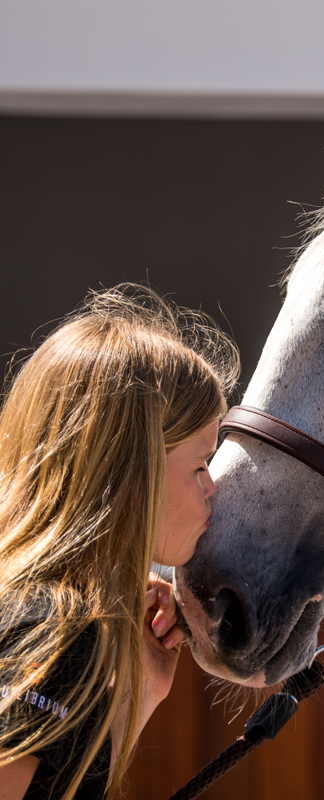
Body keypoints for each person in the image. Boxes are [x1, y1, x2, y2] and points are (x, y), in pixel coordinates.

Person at [0, 285, 239, 800]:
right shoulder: (58, 630)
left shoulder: (42, 613)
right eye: (200, 464)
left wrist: (140, 695)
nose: (212, 486)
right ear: (136, 472)